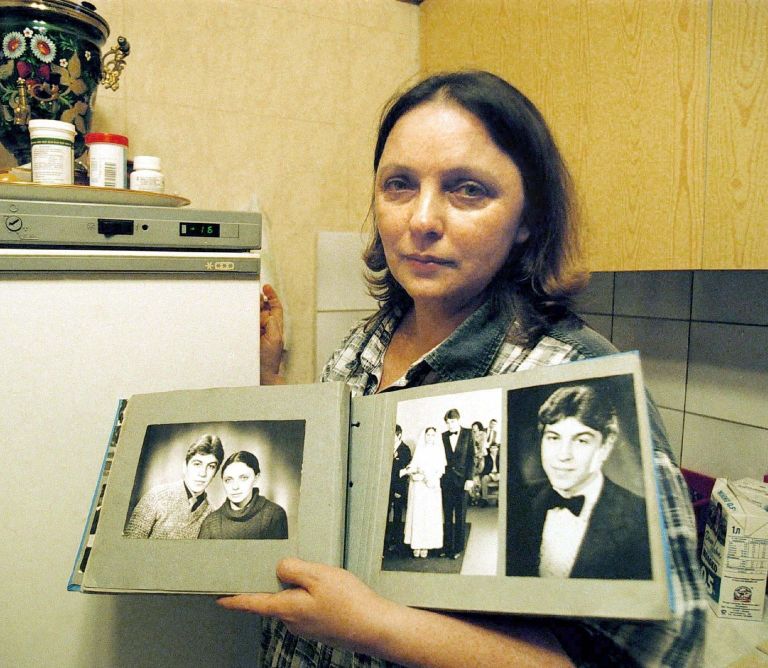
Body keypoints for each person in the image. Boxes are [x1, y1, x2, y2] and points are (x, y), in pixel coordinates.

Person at [219, 70, 705, 666]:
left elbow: (664, 656)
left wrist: (378, 627)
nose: (422, 220)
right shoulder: (359, 347)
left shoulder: (573, 374)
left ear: (528, 219)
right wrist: (272, 383)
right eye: (399, 185)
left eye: (468, 190)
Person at [506, 385, 651, 580]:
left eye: (581, 440)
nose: (563, 455)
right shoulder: (519, 501)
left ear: (605, 446)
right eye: (553, 438)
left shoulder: (642, 518)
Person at [124, 434, 224, 539]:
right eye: (197, 464)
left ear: (215, 473)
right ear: (185, 466)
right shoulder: (156, 496)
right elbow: (130, 542)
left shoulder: (213, 517)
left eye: (211, 466)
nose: (203, 473)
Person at [198, 450, 288, 540]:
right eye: (228, 480)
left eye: (243, 478)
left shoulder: (274, 515)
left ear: (256, 478)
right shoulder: (211, 522)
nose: (235, 487)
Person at [403, 426, 447, 558]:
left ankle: (426, 545)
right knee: (418, 514)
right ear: (425, 436)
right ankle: (416, 544)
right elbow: (414, 465)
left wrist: (431, 479)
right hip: (419, 486)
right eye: (428, 435)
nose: (430, 437)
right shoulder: (420, 449)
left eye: (433, 435)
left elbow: (440, 470)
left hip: (431, 487)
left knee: (429, 515)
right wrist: (412, 471)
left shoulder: (438, 451)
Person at [440, 409, 475, 557]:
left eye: (453, 422)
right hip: (446, 481)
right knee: (447, 516)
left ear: (458, 420)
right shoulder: (443, 436)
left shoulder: (468, 433)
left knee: (460, 516)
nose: (450, 425)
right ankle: (447, 547)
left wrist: (470, 479)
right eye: (448, 423)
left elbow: (471, 458)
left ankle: (458, 548)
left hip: (462, 481)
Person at [385, 424, 413, 555]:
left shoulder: (405, 450)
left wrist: (398, 490)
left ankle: (396, 543)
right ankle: (385, 542)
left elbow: (404, 471)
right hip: (387, 487)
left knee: (397, 515)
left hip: (398, 488)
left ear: (399, 435)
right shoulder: (386, 447)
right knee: (385, 514)